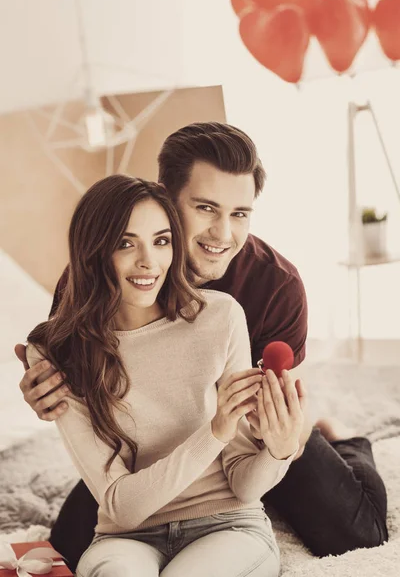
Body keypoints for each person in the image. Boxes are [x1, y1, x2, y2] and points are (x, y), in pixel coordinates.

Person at [16, 123, 388, 572]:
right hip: (151, 446)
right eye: (206, 208)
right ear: (164, 199)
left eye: (240, 214)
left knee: (357, 532)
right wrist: (45, 394)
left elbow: (276, 410)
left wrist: (277, 445)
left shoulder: (275, 285)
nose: (222, 233)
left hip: (249, 432)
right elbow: (74, 376)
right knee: (71, 541)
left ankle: (347, 440)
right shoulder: (95, 279)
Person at [26, 174, 304, 577]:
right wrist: (216, 430)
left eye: (161, 241)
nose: (148, 262)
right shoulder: (57, 352)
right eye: (125, 243)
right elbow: (121, 504)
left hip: (229, 526)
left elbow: (244, 485)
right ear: (93, 252)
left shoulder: (220, 317)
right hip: (125, 538)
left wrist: (277, 450)